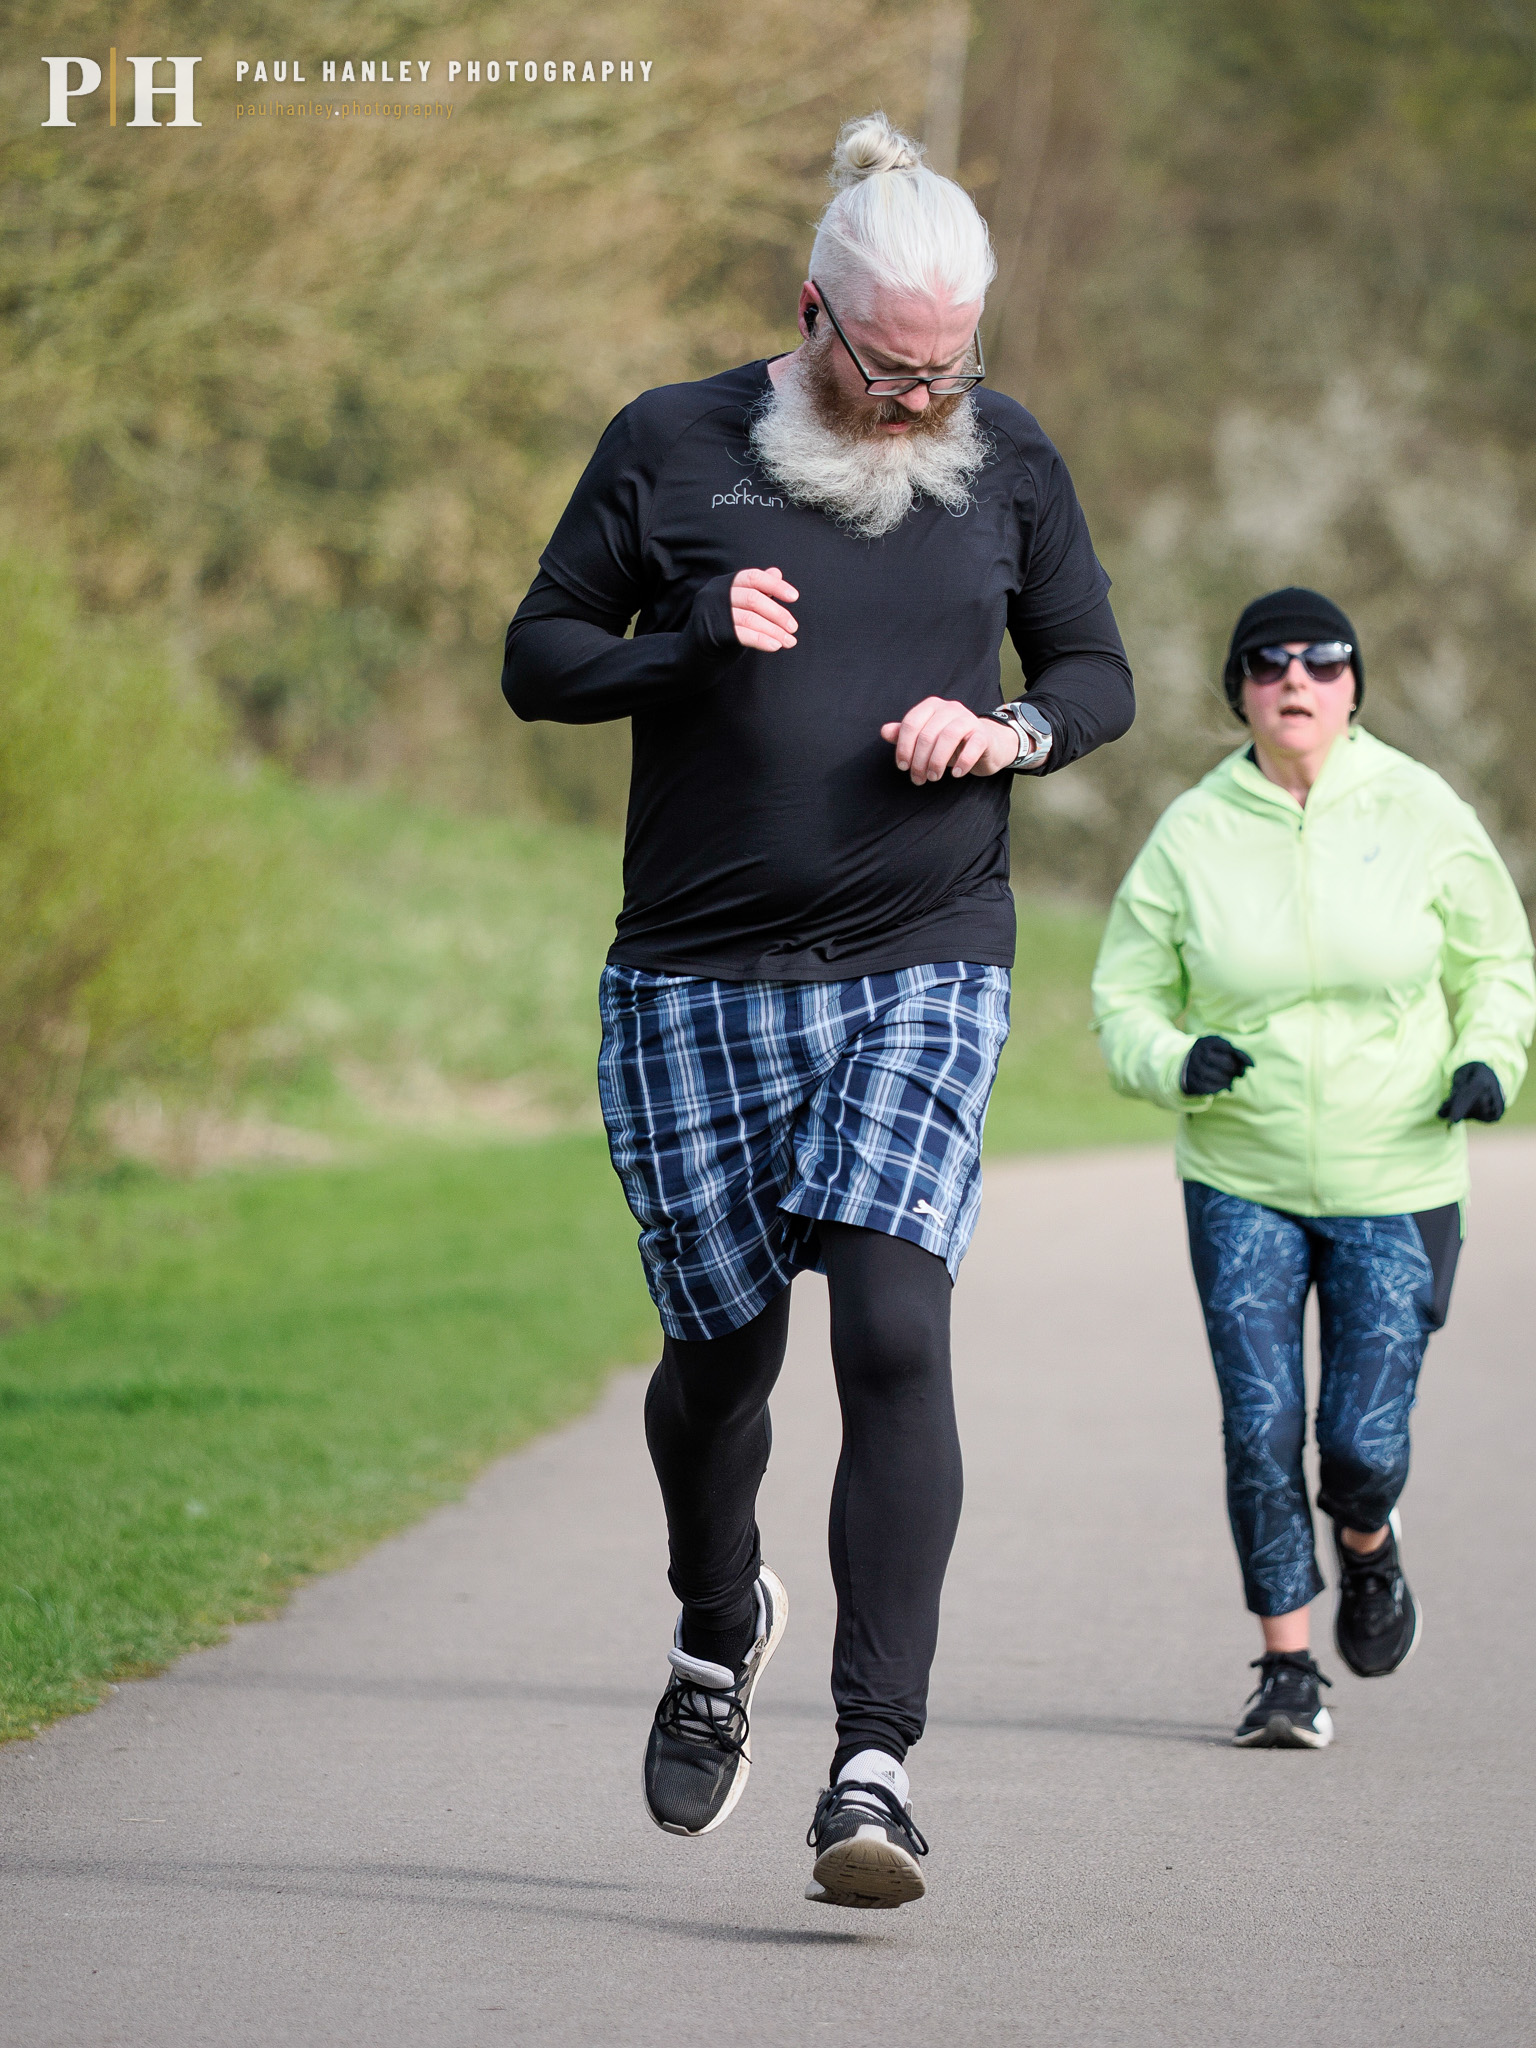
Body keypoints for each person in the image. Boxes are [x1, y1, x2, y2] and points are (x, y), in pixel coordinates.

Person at [503, 111, 1133, 1904]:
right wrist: (688, 641)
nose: (925, 397)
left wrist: (1009, 729)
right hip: (693, 977)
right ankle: (718, 1627)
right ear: (812, 311)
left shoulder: (1007, 460)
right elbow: (537, 656)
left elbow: (1095, 667)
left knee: (894, 1330)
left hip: (922, 952)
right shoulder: (672, 444)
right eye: (891, 365)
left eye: (953, 367)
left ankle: (872, 1762)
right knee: (719, 1363)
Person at [1092, 587, 1535, 1747]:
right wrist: (1179, 1057)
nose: (1297, 679)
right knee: (1259, 1420)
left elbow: (1499, 959)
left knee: (1360, 1445)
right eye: (1269, 661)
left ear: (1353, 685)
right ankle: (1288, 1667)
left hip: (1402, 1171)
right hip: (1243, 1170)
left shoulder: (1422, 807)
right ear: (1238, 688)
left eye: (1323, 661)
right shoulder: (1193, 829)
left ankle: (1371, 1546)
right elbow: (1124, 997)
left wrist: (1490, 1056)